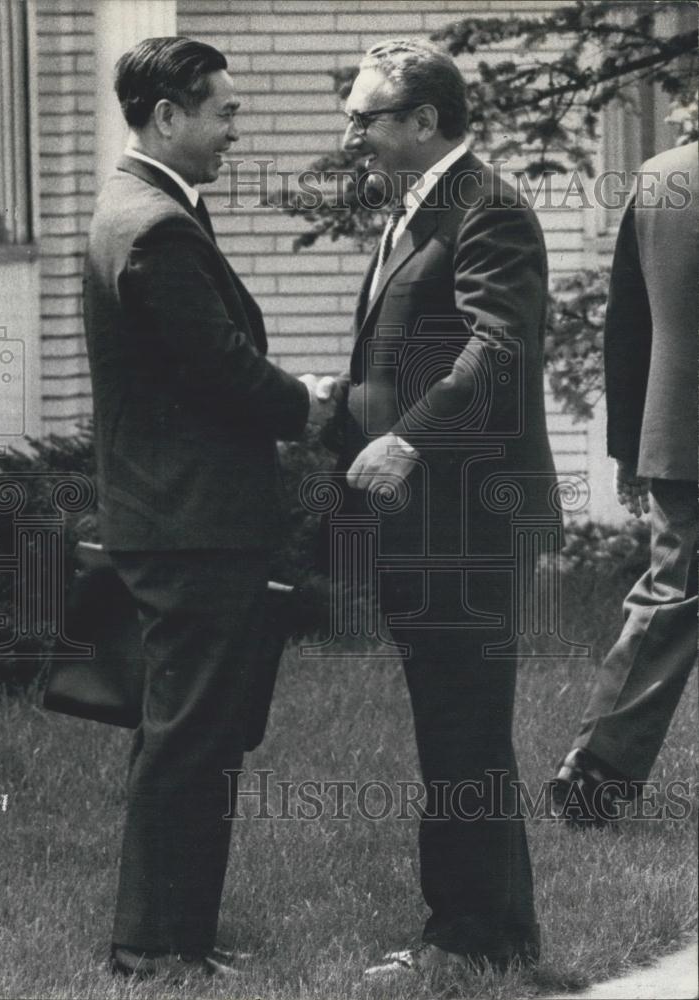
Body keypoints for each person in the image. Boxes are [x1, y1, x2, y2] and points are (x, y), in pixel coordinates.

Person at [83, 36, 332, 980]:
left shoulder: (138, 208)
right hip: (194, 525)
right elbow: (218, 370)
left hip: (173, 517)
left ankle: (170, 937)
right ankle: (153, 947)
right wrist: (304, 404)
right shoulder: (156, 227)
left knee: (187, 734)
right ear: (168, 116)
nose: (237, 128)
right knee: (192, 741)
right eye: (224, 111)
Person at [328, 38, 557, 979]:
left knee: (463, 727)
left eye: (365, 118)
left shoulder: (488, 210)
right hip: (425, 518)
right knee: (453, 726)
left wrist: (408, 437)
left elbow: (494, 351)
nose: (351, 134)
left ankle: (473, 941)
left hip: (467, 514)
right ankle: (481, 933)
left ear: (424, 121)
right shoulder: (413, 209)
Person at [552, 142, 698, 826]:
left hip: (680, 433)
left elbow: (627, 325)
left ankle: (594, 768)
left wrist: (629, 448)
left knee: (671, 598)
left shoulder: (661, 176)